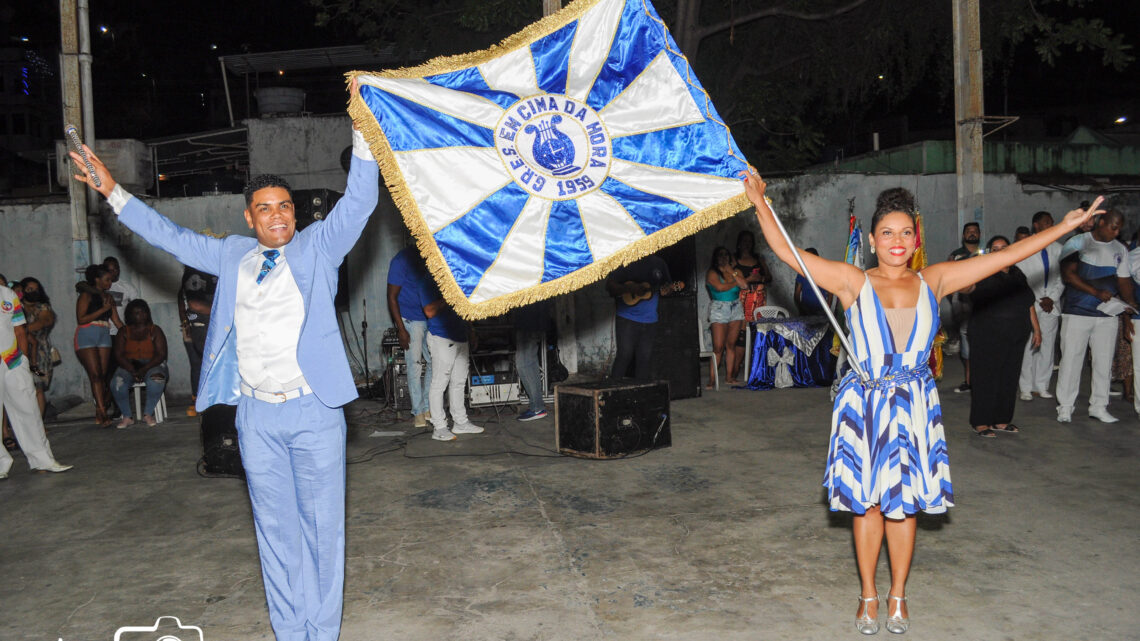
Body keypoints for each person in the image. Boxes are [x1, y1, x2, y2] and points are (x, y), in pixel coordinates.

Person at [70, 83, 379, 641]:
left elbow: (359, 202)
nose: (277, 216)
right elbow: (167, 234)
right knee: (275, 534)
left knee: (322, 534)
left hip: (313, 412)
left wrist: (363, 131)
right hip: (256, 417)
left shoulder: (318, 247)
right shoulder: (231, 253)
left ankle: (322, 634)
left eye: (285, 206)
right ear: (249, 217)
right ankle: (291, 633)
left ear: (294, 213)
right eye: (265, 209)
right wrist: (113, 190)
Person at [742, 166, 1101, 635]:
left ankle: (898, 596)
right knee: (867, 506)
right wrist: (758, 200)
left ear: (916, 240)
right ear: (872, 240)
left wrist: (1065, 227)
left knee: (903, 506)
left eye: (905, 232)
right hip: (864, 404)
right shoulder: (852, 281)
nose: (896, 240)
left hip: (913, 404)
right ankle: (868, 595)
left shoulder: (935, 280)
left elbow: (1009, 255)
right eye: (887, 232)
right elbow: (787, 251)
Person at [1055, 209, 1137, 423]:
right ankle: (1065, 406)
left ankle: (1099, 406)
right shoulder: (1077, 242)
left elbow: (1124, 281)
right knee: (1071, 360)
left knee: (1103, 362)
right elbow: (1068, 275)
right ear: (1101, 223)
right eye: (1113, 227)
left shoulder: (1120, 249)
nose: (1117, 232)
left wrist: (1130, 306)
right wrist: (1096, 293)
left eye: (1119, 228)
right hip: (1077, 313)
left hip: (1107, 316)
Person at [964, 236, 1040, 437]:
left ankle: (1001, 420)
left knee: (1009, 377)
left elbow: (1028, 302)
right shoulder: (982, 272)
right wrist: (962, 276)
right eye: (995, 248)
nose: (999, 251)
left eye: (1003, 248)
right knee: (985, 378)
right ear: (989, 252)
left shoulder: (1017, 274)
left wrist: (1037, 329)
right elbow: (967, 288)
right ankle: (980, 422)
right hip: (986, 334)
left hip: (1016, 334)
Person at [0, 281, 72, 480]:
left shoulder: (6, 294)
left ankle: (43, 460)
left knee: (29, 410)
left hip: (12, 361)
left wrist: (22, 361)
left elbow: (20, 330)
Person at [417, 279, 483, 441]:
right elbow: (429, 311)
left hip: (461, 336)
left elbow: (465, 307)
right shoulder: (427, 282)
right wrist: (451, 297)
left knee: (459, 382)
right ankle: (439, 427)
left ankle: (460, 422)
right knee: (440, 383)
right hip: (441, 337)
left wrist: (471, 330)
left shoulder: (456, 278)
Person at [606, 254, 683, 379]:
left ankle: (640, 394)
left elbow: (668, 287)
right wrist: (629, 288)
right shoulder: (626, 261)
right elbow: (609, 286)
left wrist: (668, 290)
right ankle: (612, 394)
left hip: (650, 319)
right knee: (624, 356)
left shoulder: (659, 263)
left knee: (645, 359)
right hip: (627, 318)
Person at [1016, 211, 1063, 400]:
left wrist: (1052, 297)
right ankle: (1026, 386)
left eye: (1052, 222)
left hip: (1051, 304)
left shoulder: (1059, 249)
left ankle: (1042, 385)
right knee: (1029, 346)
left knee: (1048, 346)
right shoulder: (1026, 247)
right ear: (1036, 225)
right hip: (1032, 302)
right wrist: (1037, 299)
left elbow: (1062, 277)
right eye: (1046, 222)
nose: (1050, 225)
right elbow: (1021, 277)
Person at [386, 247, 433, 428]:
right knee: (414, 365)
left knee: (434, 362)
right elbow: (391, 297)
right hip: (410, 320)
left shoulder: (431, 255)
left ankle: (428, 406)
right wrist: (401, 329)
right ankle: (418, 412)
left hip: (430, 317)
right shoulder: (401, 261)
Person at [75, 263, 122, 427]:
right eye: (107, 279)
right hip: (87, 334)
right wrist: (103, 310)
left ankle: (100, 410)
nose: (110, 283)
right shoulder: (85, 295)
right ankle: (102, 412)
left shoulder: (109, 298)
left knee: (102, 375)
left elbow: (116, 321)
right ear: (97, 280)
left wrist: (129, 335)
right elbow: (81, 319)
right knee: (95, 375)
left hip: (104, 334)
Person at [110, 299, 169, 428]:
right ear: (129, 315)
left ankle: (148, 414)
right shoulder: (123, 332)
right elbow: (118, 355)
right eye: (136, 313)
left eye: (143, 312)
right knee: (116, 383)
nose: (140, 315)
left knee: (156, 380)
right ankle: (127, 416)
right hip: (130, 365)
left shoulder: (155, 330)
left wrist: (144, 369)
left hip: (153, 364)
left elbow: (161, 355)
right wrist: (132, 369)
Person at [177, 265, 217, 417]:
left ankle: (208, 401)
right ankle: (197, 401)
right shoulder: (194, 273)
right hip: (199, 326)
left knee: (207, 365)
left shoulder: (211, 271)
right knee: (197, 365)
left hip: (205, 325)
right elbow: (191, 303)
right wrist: (185, 321)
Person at [705, 246, 747, 387]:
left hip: (735, 307)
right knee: (718, 347)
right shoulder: (712, 273)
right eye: (720, 255)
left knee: (731, 345)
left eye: (726, 254)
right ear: (716, 258)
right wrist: (736, 281)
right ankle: (712, 380)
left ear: (730, 257)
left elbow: (745, 285)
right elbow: (720, 288)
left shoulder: (736, 271)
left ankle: (729, 377)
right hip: (719, 308)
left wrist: (732, 272)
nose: (723, 257)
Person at [947, 222, 980, 393]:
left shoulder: (985, 254)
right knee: (966, 340)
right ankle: (968, 381)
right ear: (963, 235)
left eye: (975, 231)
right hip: (963, 302)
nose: (972, 234)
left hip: (983, 301)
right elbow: (948, 278)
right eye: (969, 232)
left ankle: (981, 380)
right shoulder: (956, 255)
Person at [18, 277, 56, 417]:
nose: (33, 292)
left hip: (40, 355)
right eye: (29, 289)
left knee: (38, 385)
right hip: (20, 352)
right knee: (24, 387)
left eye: (36, 289)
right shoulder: (17, 306)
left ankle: (39, 423)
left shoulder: (43, 307)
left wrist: (22, 329)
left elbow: (45, 321)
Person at [514, 299, 551, 421]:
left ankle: (537, 408)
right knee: (529, 365)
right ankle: (536, 406)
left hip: (529, 323)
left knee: (525, 365)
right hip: (530, 322)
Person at [102, 256, 138, 336]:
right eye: (110, 270)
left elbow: (136, 309)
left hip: (120, 331)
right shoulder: (101, 286)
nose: (114, 272)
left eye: (116, 269)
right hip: (103, 331)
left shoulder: (127, 287)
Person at [794, 248, 835, 315]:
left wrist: (826, 311)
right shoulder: (801, 273)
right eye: (806, 258)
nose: (808, 260)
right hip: (805, 311)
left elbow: (830, 294)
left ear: (817, 258)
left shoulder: (824, 273)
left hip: (820, 312)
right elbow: (797, 294)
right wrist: (801, 309)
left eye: (811, 258)